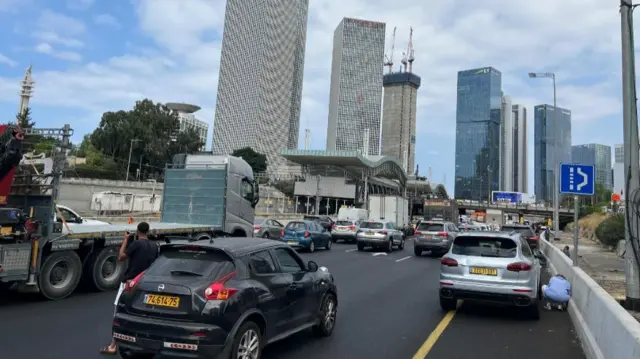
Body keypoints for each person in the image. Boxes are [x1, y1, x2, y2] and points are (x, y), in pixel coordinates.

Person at [100, 222, 159, 355]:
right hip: (145, 284)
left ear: (137, 232)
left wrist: (126, 240)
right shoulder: (154, 246)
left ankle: (113, 345)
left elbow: (121, 257)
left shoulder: (137, 244)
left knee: (118, 313)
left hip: (129, 283)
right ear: (148, 231)